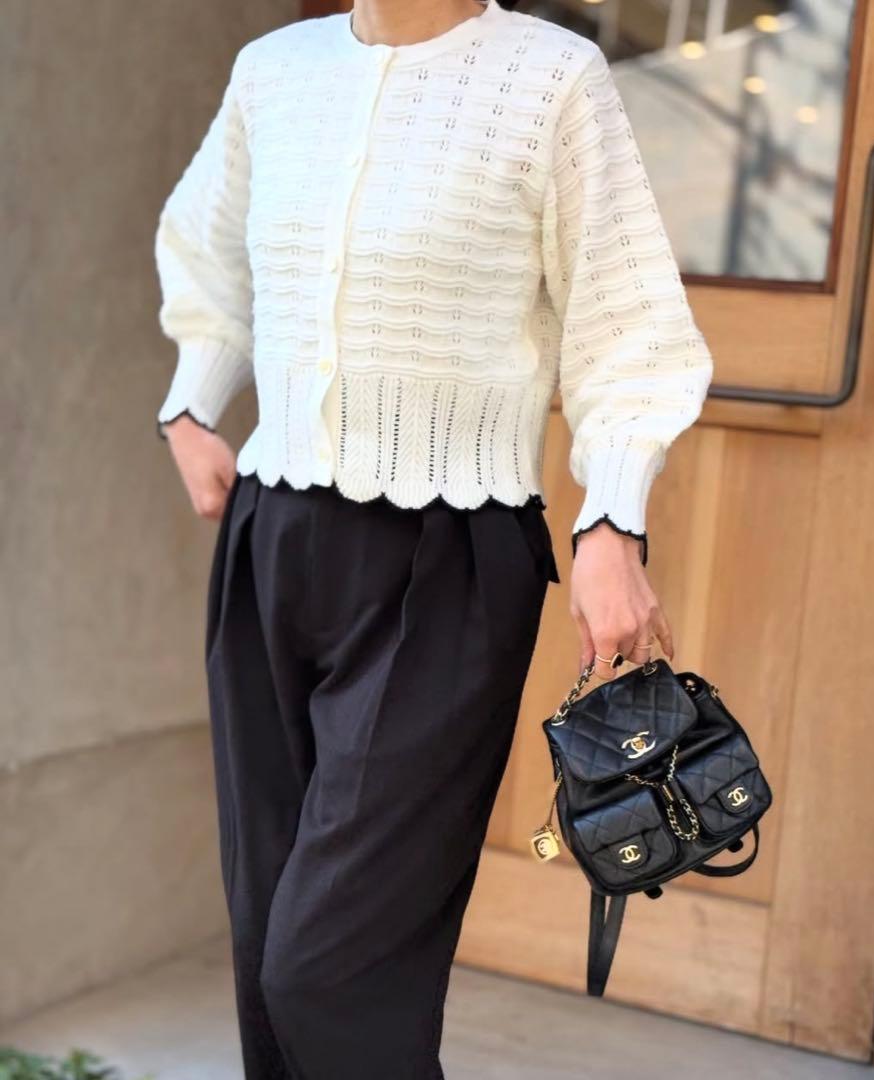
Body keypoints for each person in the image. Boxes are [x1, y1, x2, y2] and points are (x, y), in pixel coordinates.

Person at [154, 1, 713, 1077]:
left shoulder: (551, 79)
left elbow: (628, 325)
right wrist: (191, 403)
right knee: (266, 941)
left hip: (448, 558)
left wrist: (612, 521)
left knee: (329, 970)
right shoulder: (274, 70)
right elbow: (209, 246)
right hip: (271, 539)